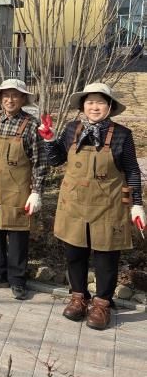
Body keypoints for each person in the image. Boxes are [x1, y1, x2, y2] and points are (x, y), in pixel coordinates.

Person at [41, 83, 144, 330]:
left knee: (106, 256)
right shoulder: (72, 129)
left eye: (100, 102)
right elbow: (56, 160)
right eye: (90, 102)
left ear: (109, 106)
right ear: (83, 106)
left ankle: (102, 304)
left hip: (108, 206)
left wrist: (137, 205)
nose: (94, 107)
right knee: (74, 253)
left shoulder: (122, 134)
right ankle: (79, 297)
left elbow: (132, 170)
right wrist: (50, 139)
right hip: (74, 205)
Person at [0, 80, 46, 300]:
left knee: (17, 236)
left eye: (15, 95)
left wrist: (37, 192)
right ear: (0, 99)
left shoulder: (31, 124)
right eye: (6, 96)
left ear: (23, 99)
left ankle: (17, 280)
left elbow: (40, 162)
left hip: (18, 190)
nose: (10, 100)